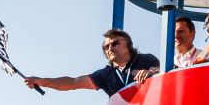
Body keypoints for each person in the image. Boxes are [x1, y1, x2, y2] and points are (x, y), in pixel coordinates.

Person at [24, 30, 159, 96]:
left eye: (115, 43)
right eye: (106, 47)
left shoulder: (145, 59)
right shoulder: (106, 74)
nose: (110, 49)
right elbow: (72, 83)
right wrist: (41, 81)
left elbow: (163, 71)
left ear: (128, 44)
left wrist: (150, 73)